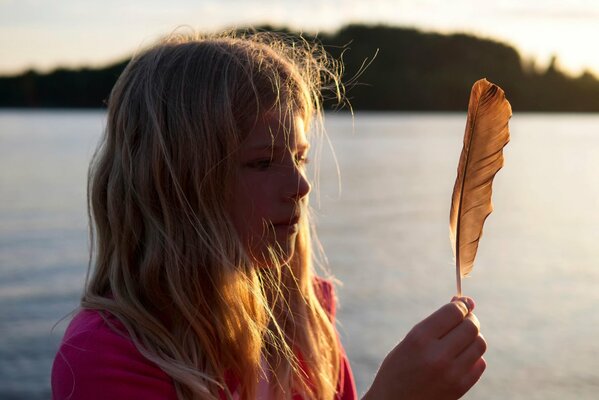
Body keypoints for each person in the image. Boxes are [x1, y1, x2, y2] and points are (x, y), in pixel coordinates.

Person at [51, 31, 487, 400]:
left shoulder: (302, 321)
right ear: (174, 184)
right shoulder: (106, 357)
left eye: (300, 158)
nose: (301, 186)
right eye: (262, 162)